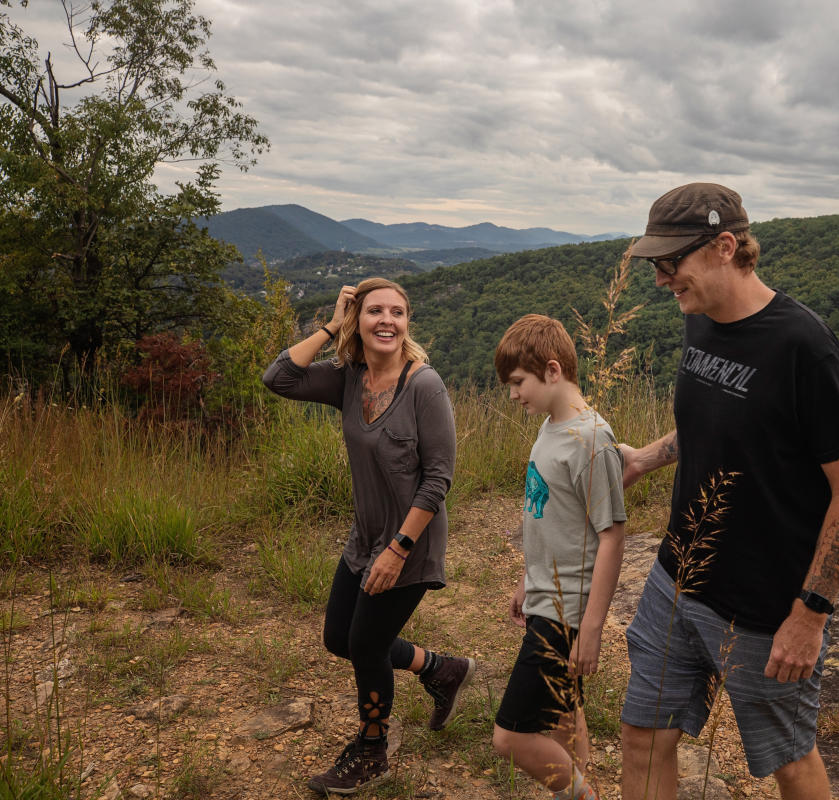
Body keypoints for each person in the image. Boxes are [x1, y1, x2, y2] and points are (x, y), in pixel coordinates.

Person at [617, 184, 839, 800]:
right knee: (641, 734)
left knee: (788, 758)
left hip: (761, 610)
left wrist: (809, 616)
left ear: (725, 247)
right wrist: (646, 458)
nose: (661, 280)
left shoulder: (804, 349)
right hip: (675, 580)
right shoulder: (700, 320)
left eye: (669, 263)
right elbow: (715, 421)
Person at [262, 277, 475, 796]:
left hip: (411, 543)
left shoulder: (425, 385)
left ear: (407, 323)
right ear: (358, 321)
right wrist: (331, 325)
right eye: (374, 311)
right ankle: (442, 669)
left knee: (364, 644)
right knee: (341, 637)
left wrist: (398, 551)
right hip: (365, 538)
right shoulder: (348, 379)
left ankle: (372, 748)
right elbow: (279, 378)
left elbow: (439, 479)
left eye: (397, 312)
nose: (387, 320)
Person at [490, 314, 627, 800]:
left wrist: (589, 628)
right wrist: (529, 578)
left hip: (565, 614)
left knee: (510, 737)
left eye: (518, 383)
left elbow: (611, 535)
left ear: (552, 371)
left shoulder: (590, 440)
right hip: (546, 597)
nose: (513, 395)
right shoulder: (553, 425)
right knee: (564, 719)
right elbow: (554, 516)